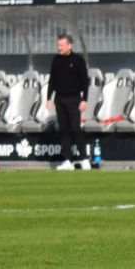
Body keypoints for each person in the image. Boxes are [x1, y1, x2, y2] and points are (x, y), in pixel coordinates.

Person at [47, 34, 91, 169]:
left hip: (74, 99)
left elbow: (85, 81)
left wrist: (84, 100)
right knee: (64, 130)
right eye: (58, 45)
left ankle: (84, 159)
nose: (58, 48)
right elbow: (52, 80)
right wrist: (49, 98)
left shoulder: (78, 60)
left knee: (75, 129)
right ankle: (68, 161)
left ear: (69, 45)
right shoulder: (55, 60)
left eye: (61, 45)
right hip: (59, 99)